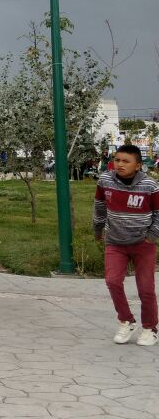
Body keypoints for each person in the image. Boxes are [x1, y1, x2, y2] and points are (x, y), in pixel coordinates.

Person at [94, 144, 159, 346]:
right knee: (113, 281)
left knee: (146, 288)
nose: (119, 164)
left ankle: (150, 328)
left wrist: (152, 235)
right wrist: (97, 229)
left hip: (143, 244)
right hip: (115, 242)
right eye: (117, 160)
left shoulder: (150, 186)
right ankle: (126, 321)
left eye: (126, 161)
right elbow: (99, 206)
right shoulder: (105, 180)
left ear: (138, 165)